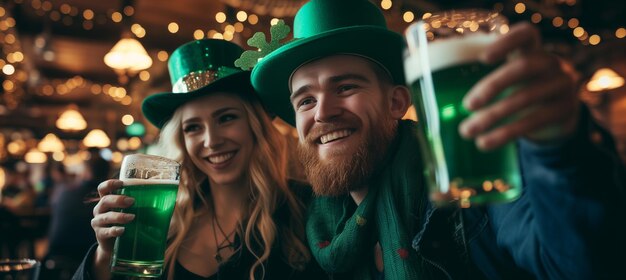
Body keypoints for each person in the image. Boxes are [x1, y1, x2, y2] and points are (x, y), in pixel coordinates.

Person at [246, 0, 626, 279]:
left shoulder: (470, 189)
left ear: (397, 102)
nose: (322, 112)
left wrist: (559, 150)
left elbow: (583, 266)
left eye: (345, 87)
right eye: (306, 100)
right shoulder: (308, 229)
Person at [73, 39, 326, 280]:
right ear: (181, 141)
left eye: (226, 118)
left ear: (255, 125)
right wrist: (105, 256)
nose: (211, 141)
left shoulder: (307, 210)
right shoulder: (163, 219)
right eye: (193, 127)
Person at [43, 150, 110, 280]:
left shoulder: (64, 191)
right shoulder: (110, 199)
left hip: (55, 253)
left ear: (86, 171)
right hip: (86, 258)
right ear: (107, 172)